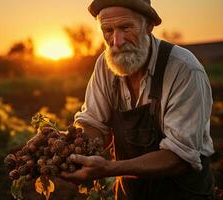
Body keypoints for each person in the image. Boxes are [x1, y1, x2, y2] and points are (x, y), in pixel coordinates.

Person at [61, 0, 215, 199]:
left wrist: (109, 168)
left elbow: (180, 157)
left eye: (126, 27)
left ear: (148, 25)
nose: (117, 41)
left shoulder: (183, 69)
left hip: (182, 192)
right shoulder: (105, 65)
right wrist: (64, 145)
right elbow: (95, 125)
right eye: (107, 30)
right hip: (130, 194)